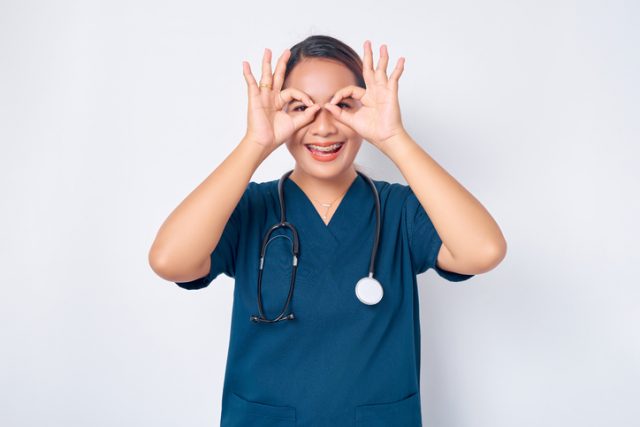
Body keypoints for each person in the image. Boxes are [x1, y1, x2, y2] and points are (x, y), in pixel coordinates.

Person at [149, 34, 507, 427]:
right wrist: (255, 142)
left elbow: (483, 250)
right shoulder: (251, 208)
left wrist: (394, 139)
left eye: (343, 106)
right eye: (300, 107)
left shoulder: (398, 210)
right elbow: (170, 261)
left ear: (366, 108)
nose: (322, 127)